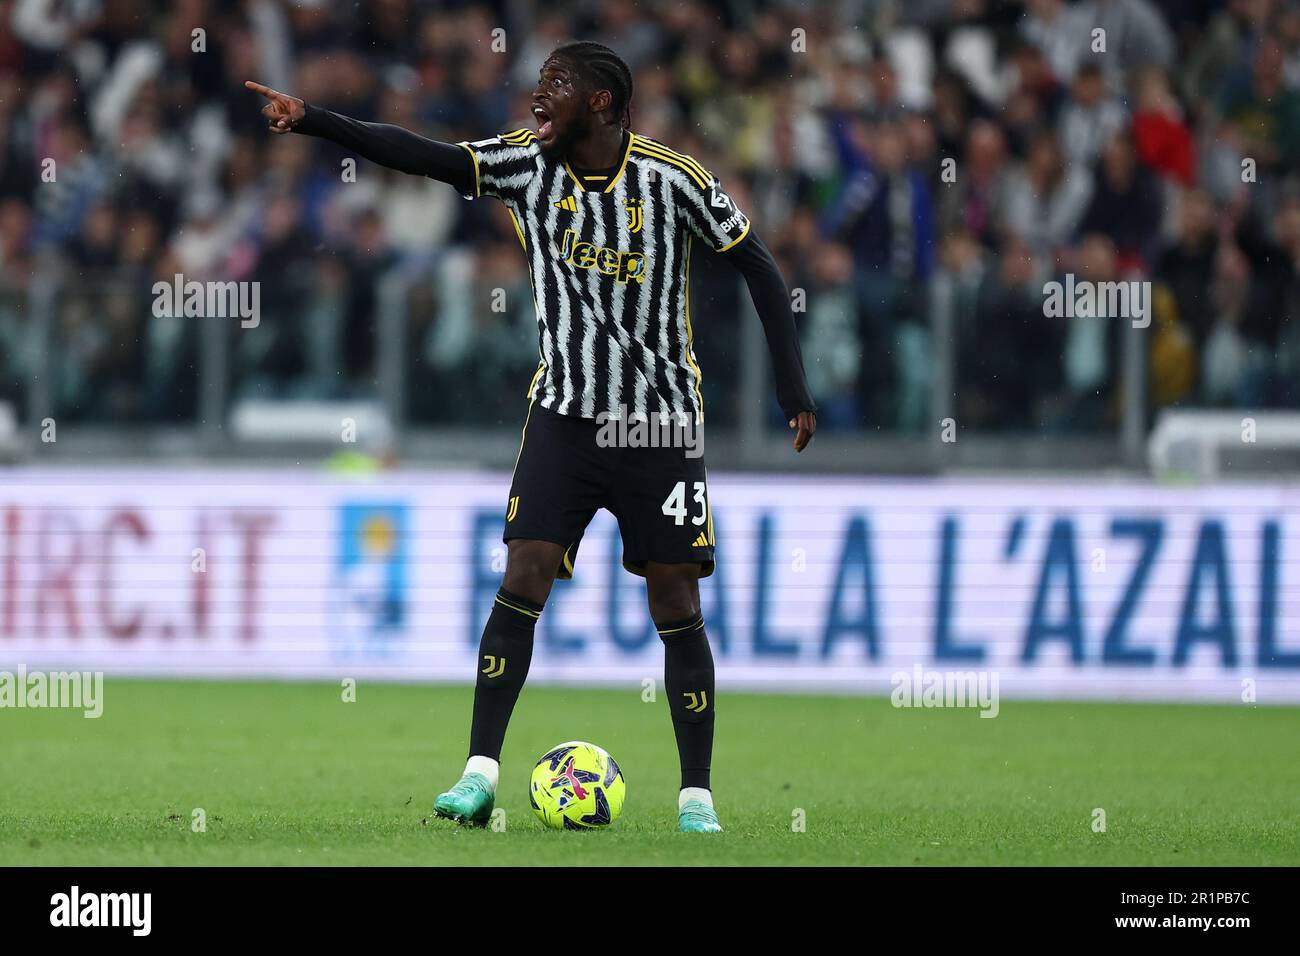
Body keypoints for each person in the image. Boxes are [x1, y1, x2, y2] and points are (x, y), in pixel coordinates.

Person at [246, 40, 817, 833]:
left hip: (657, 422)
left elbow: (756, 262)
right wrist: (316, 122)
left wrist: (791, 386)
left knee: (676, 595)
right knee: (525, 571)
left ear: (604, 104)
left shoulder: (672, 178)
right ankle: (479, 775)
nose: (538, 95)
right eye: (539, 81)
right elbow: (423, 156)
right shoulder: (523, 163)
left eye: (557, 85)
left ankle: (696, 798)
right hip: (566, 414)